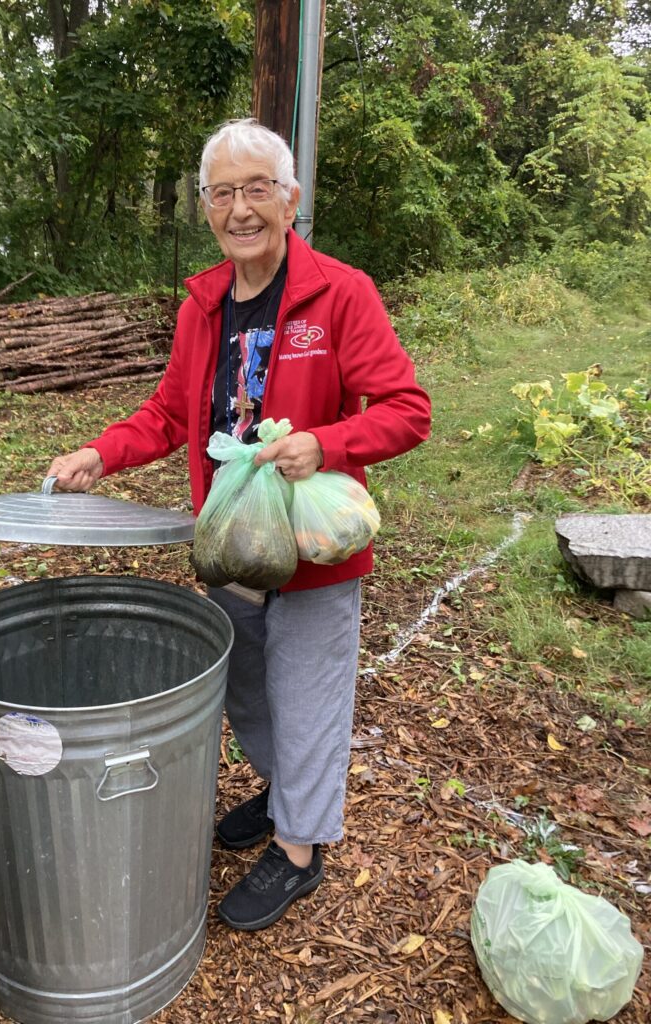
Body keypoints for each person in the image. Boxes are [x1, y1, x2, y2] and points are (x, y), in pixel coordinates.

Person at [46, 118, 431, 931]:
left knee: (306, 695)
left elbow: (407, 410)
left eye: (258, 188)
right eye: (223, 192)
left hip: (312, 550)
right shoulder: (204, 306)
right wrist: (99, 453)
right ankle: (284, 789)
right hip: (231, 542)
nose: (241, 208)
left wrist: (327, 440)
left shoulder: (340, 293)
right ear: (206, 208)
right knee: (247, 688)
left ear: (291, 199)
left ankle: (300, 849)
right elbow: (168, 412)